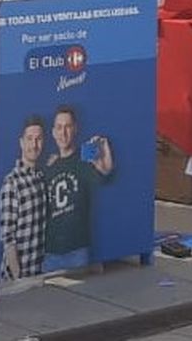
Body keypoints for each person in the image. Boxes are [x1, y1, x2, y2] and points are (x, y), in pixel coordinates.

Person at [42, 105, 114, 273]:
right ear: (53, 132)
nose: (63, 133)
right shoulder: (47, 165)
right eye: (59, 127)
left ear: (75, 129)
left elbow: (105, 174)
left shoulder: (84, 158)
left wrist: (105, 153)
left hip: (77, 250)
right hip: (50, 252)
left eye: (67, 127)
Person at [0, 115, 48, 281]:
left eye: (38, 139)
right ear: (21, 142)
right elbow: (7, 239)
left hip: (41, 274)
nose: (34, 145)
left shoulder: (43, 177)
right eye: (29, 139)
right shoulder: (11, 183)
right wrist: (18, 276)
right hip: (18, 279)